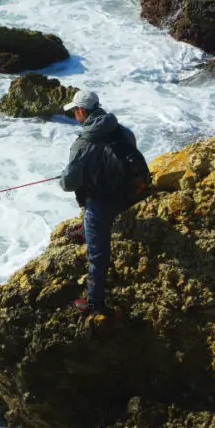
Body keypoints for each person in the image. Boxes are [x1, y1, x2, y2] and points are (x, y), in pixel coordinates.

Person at [59, 90, 139, 315]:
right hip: (130, 194)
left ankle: (95, 301)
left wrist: (63, 177)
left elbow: (69, 183)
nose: (74, 114)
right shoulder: (123, 131)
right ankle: (86, 228)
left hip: (103, 203)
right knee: (94, 203)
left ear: (82, 111)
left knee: (98, 252)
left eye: (75, 111)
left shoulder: (82, 144)